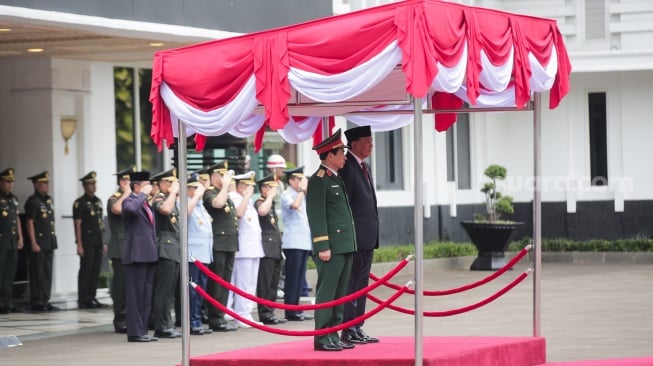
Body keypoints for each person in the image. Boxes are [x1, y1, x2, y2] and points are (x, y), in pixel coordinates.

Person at [306, 129, 357, 352]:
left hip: (344, 245)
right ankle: (322, 336)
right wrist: (322, 246)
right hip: (331, 248)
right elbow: (316, 216)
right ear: (329, 156)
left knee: (340, 293)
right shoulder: (319, 181)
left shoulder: (335, 178)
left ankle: (334, 333)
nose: (345, 157)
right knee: (327, 293)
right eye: (341, 153)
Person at [340, 125, 380, 344]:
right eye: (367, 140)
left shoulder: (365, 167)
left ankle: (358, 325)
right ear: (353, 144)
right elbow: (345, 205)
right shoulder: (347, 167)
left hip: (367, 236)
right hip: (354, 237)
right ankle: (347, 328)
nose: (371, 144)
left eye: (371, 140)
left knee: (361, 284)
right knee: (351, 283)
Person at [122, 170, 159, 342]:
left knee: (145, 295)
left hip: (149, 254)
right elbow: (130, 210)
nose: (150, 187)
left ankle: (143, 330)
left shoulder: (145, 204)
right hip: (136, 255)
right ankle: (135, 332)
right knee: (135, 296)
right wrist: (142, 195)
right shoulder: (130, 201)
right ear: (137, 186)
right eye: (146, 184)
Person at [202, 161, 239, 332]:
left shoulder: (225, 193)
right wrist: (225, 187)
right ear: (214, 176)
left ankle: (221, 315)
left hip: (229, 243)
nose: (226, 178)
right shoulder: (210, 193)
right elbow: (217, 204)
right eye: (222, 175)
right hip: (218, 243)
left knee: (225, 283)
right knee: (216, 283)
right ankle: (215, 318)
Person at [228, 171, 264, 328]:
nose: (251, 189)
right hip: (243, 249)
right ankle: (241, 314)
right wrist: (246, 196)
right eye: (248, 186)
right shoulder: (236, 198)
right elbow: (239, 214)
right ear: (241, 186)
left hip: (254, 248)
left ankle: (247, 313)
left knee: (250, 284)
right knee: (242, 284)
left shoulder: (245, 200)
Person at [150, 168, 182, 339]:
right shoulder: (160, 198)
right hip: (164, 249)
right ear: (162, 184)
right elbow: (164, 210)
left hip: (173, 249)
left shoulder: (171, 199)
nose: (173, 186)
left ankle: (167, 324)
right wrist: (173, 193)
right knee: (163, 291)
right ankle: (161, 326)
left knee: (169, 292)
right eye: (170, 183)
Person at [280, 166, 313, 322]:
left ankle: (296, 309)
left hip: (304, 241)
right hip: (293, 242)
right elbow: (294, 206)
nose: (301, 182)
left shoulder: (302, 195)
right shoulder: (287, 194)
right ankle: (290, 311)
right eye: (298, 179)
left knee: (300, 278)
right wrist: (301, 191)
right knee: (292, 278)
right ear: (291, 180)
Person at [24, 171, 59, 312]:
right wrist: (33, 242)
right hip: (38, 242)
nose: (46, 186)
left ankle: (45, 299)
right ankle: (37, 301)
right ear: (36, 185)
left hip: (49, 241)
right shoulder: (33, 201)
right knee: (37, 273)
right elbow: (29, 223)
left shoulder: (48, 200)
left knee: (47, 273)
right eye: (43, 183)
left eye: (47, 183)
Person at [254, 173, 286, 325]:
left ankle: (270, 311)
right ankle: (264, 313)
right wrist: (269, 197)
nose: (274, 191)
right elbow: (262, 211)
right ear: (264, 189)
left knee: (273, 282)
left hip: (275, 247)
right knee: (265, 283)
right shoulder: (260, 201)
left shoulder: (270, 203)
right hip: (266, 247)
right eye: (271, 187)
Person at [73, 171, 108, 309]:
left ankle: (92, 297)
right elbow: (77, 224)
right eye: (91, 184)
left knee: (95, 270)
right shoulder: (80, 203)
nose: (94, 186)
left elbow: (101, 224)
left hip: (97, 241)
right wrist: (79, 244)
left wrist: (103, 241)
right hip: (86, 241)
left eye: (94, 183)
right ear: (85, 186)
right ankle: (83, 299)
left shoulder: (97, 201)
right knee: (86, 270)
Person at [185, 173, 213, 335]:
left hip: (204, 253)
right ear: (188, 189)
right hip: (193, 254)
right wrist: (195, 196)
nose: (199, 191)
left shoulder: (200, 206)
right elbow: (186, 213)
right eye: (195, 188)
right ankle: (191, 321)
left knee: (201, 289)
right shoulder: (187, 203)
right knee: (192, 290)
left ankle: (197, 320)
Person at [106, 166, 133, 333]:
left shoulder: (130, 198)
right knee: (121, 287)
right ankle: (120, 319)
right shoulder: (115, 198)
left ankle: (130, 317)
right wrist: (126, 193)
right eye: (127, 181)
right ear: (122, 182)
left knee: (131, 286)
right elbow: (116, 209)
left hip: (131, 247)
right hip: (120, 248)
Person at [0, 168, 24, 314]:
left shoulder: (14, 199)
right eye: (7, 182)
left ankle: (8, 303)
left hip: (12, 242)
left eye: (12, 182)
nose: (10, 184)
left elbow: (17, 219)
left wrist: (20, 237)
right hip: (1, 242)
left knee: (10, 274)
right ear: (1, 183)